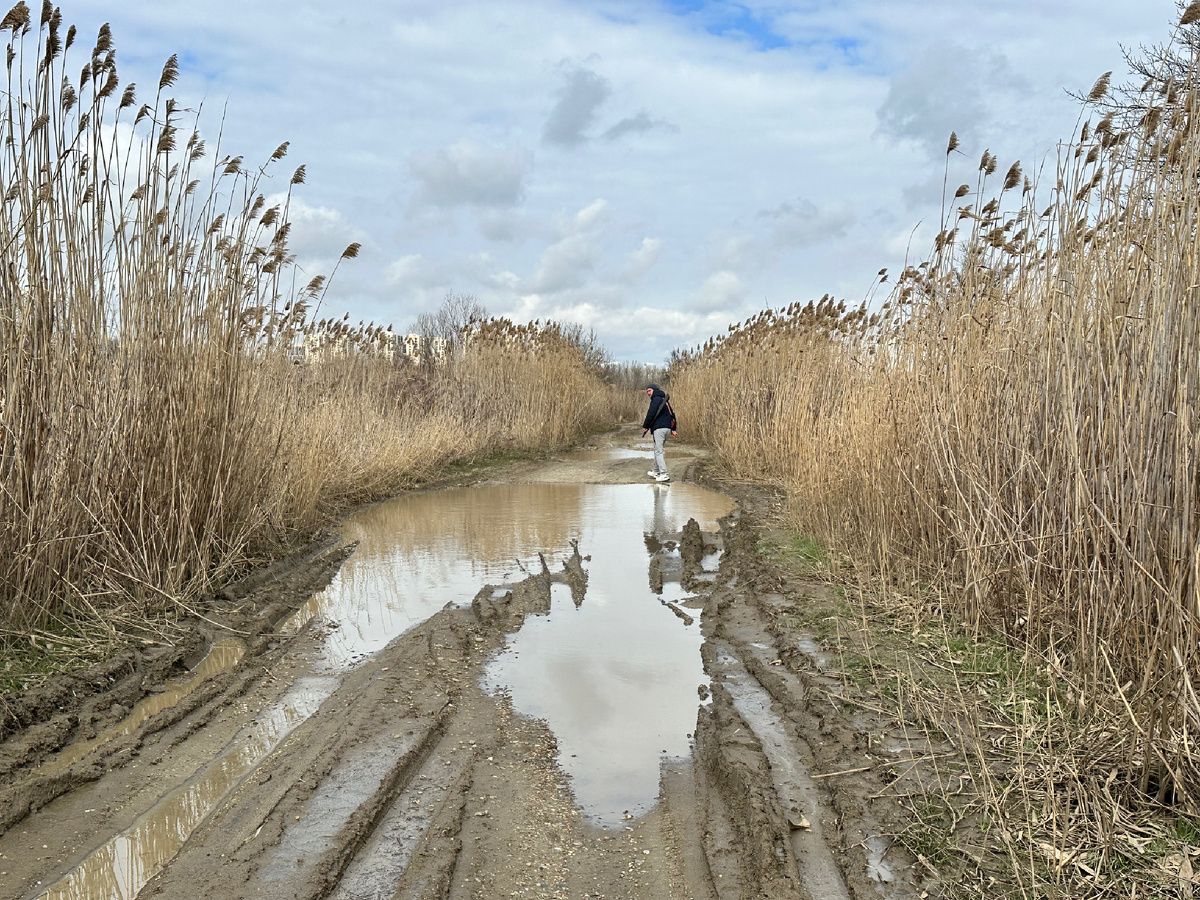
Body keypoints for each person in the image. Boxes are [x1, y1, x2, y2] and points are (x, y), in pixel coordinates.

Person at [641, 383, 677, 482]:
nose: (648, 393)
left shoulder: (656, 399)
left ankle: (664, 474)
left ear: (654, 390)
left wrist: (645, 426)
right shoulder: (664, 400)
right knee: (657, 449)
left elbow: (651, 413)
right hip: (667, 429)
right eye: (647, 391)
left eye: (649, 391)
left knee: (658, 451)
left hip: (659, 429)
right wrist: (673, 429)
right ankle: (656, 471)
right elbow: (672, 415)